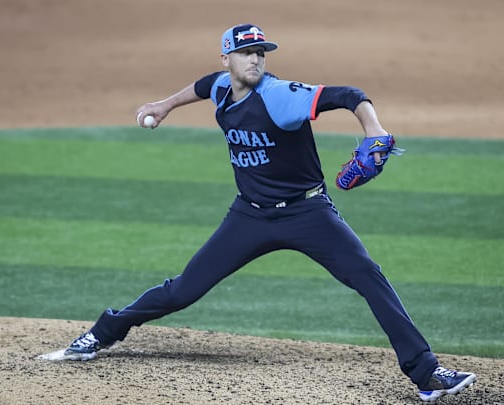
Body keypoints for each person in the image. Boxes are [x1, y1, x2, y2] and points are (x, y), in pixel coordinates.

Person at [63, 24, 476, 402]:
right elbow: (204, 86)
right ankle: (103, 332)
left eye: (261, 52)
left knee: (368, 276)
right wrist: (166, 104)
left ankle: (426, 373)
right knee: (184, 290)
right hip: (250, 216)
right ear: (227, 59)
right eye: (247, 53)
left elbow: (349, 95)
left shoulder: (279, 96)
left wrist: (375, 131)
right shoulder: (223, 87)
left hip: (308, 212)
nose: (256, 59)